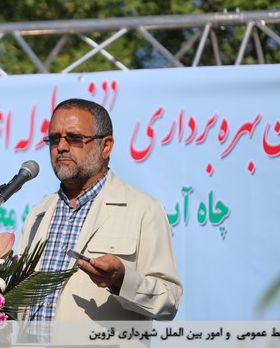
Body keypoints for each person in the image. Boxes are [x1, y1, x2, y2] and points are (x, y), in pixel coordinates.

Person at [17, 98, 182, 321]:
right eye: (54, 139)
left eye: (74, 138)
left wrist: (122, 280)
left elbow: (169, 302)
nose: (61, 147)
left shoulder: (144, 210)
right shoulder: (39, 213)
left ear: (105, 146)